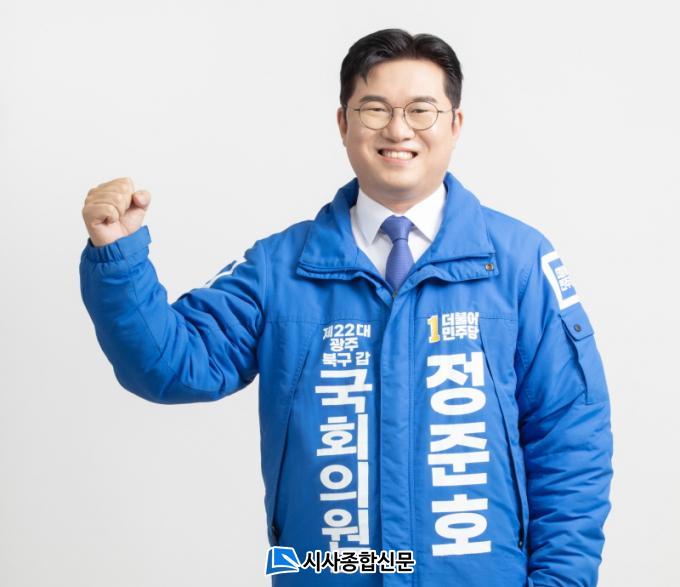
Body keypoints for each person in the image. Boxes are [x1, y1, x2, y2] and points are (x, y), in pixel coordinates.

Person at [80, 28, 613, 587]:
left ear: (455, 124)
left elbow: (571, 437)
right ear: (344, 123)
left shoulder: (518, 264)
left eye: (422, 111)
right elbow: (170, 365)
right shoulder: (281, 267)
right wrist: (118, 256)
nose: (398, 130)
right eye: (375, 109)